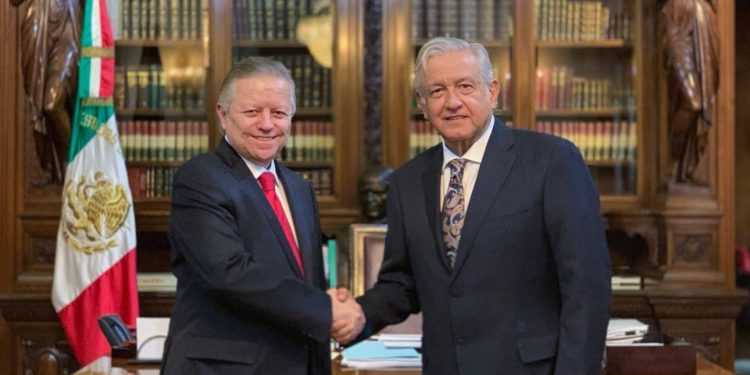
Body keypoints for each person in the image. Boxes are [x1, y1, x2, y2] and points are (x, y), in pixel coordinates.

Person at [334, 37, 611, 374]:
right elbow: (403, 283)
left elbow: (586, 287)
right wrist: (360, 314)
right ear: (422, 103)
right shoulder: (408, 181)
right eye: (436, 91)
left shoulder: (551, 160)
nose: (452, 102)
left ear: (492, 92)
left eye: (465, 86)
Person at [161, 57, 363, 374]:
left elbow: (303, 282)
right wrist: (328, 310)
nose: (267, 124)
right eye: (252, 111)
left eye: (279, 113)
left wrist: (329, 304)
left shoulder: (299, 189)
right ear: (223, 115)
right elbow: (229, 272)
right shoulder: (200, 178)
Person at [10, 0, 81, 184]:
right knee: (41, 103)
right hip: (38, 25)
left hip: (68, 24)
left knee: (53, 103)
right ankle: (56, 171)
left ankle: (74, 166)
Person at [663, 0, 718, 185]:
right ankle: (672, 158)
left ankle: (685, 165)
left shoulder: (704, 7)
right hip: (680, 37)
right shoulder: (676, 6)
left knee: (698, 103)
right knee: (693, 103)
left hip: (699, 20)